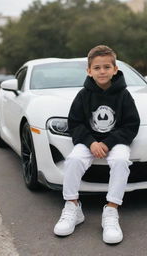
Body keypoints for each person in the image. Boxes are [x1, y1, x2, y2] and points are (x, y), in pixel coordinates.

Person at [54, 45, 140, 244]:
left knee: (120, 160)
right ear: (89, 71)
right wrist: (91, 143)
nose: (102, 71)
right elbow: (74, 123)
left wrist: (108, 143)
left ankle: (111, 211)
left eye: (107, 67)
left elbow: (131, 125)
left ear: (115, 69)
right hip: (88, 141)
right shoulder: (83, 95)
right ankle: (72, 207)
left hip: (115, 142)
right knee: (74, 159)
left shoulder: (124, 95)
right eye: (97, 68)